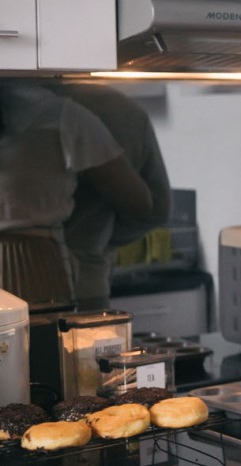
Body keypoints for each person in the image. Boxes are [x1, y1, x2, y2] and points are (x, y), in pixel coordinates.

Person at [0, 83, 154, 308]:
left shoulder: (60, 114)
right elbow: (140, 204)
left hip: (44, 266)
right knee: (46, 329)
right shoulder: (60, 115)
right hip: (37, 265)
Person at [56, 83, 171, 309]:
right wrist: (94, 240)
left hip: (16, 279)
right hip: (85, 276)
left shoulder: (19, 105)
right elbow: (155, 210)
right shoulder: (115, 109)